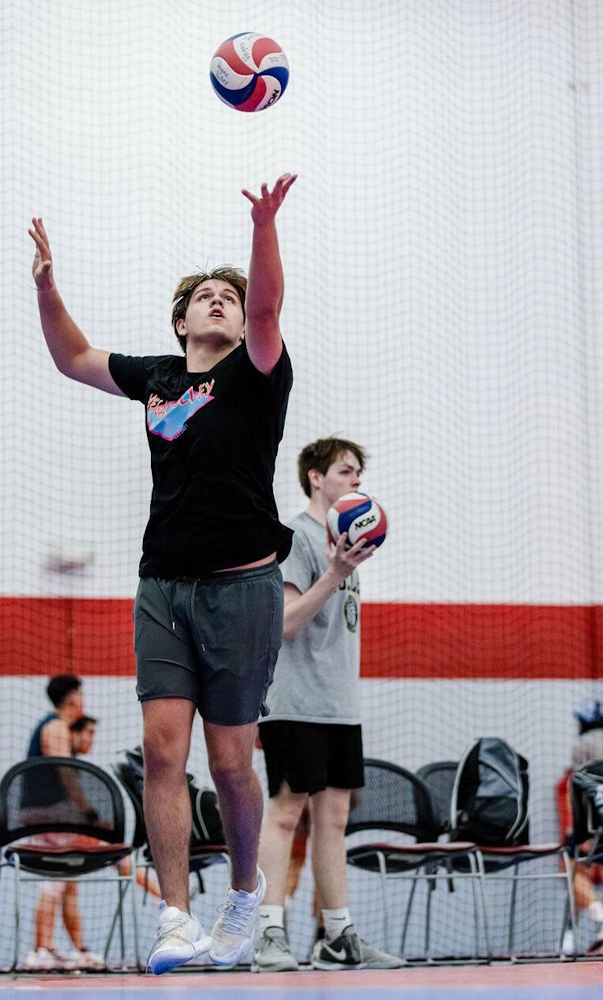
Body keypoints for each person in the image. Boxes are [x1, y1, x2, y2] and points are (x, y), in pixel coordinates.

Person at [29, 172, 297, 975]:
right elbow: (73, 355)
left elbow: (269, 309)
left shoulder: (256, 371)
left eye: (229, 295)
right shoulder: (157, 380)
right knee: (160, 749)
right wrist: (48, 285)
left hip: (243, 589)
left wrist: (262, 225)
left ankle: (244, 896)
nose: (219, 300)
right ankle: (175, 915)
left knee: (229, 762)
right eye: (204, 296)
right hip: (164, 589)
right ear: (180, 320)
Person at [252, 437, 406, 972]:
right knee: (285, 813)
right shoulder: (296, 536)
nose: (357, 480)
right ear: (316, 478)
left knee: (334, 820)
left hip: (341, 703)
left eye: (360, 474)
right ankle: (269, 934)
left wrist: (344, 566)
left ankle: (337, 937)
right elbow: (286, 624)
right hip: (295, 704)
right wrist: (335, 573)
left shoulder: (349, 544)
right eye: (346, 470)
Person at [24, 675, 105, 972]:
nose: (83, 702)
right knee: (55, 881)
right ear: (73, 699)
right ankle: (40, 949)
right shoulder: (57, 727)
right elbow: (66, 773)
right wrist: (88, 813)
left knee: (69, 884)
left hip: (54, 814)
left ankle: (77, 949)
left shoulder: (58, 726)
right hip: (47, 815)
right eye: (81, 696)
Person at [557, 700, 603, 957]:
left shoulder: (581, 747)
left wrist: (578, 831)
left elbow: (579, 786)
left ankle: (598, 915)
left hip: (594, 828)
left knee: (574, 867)